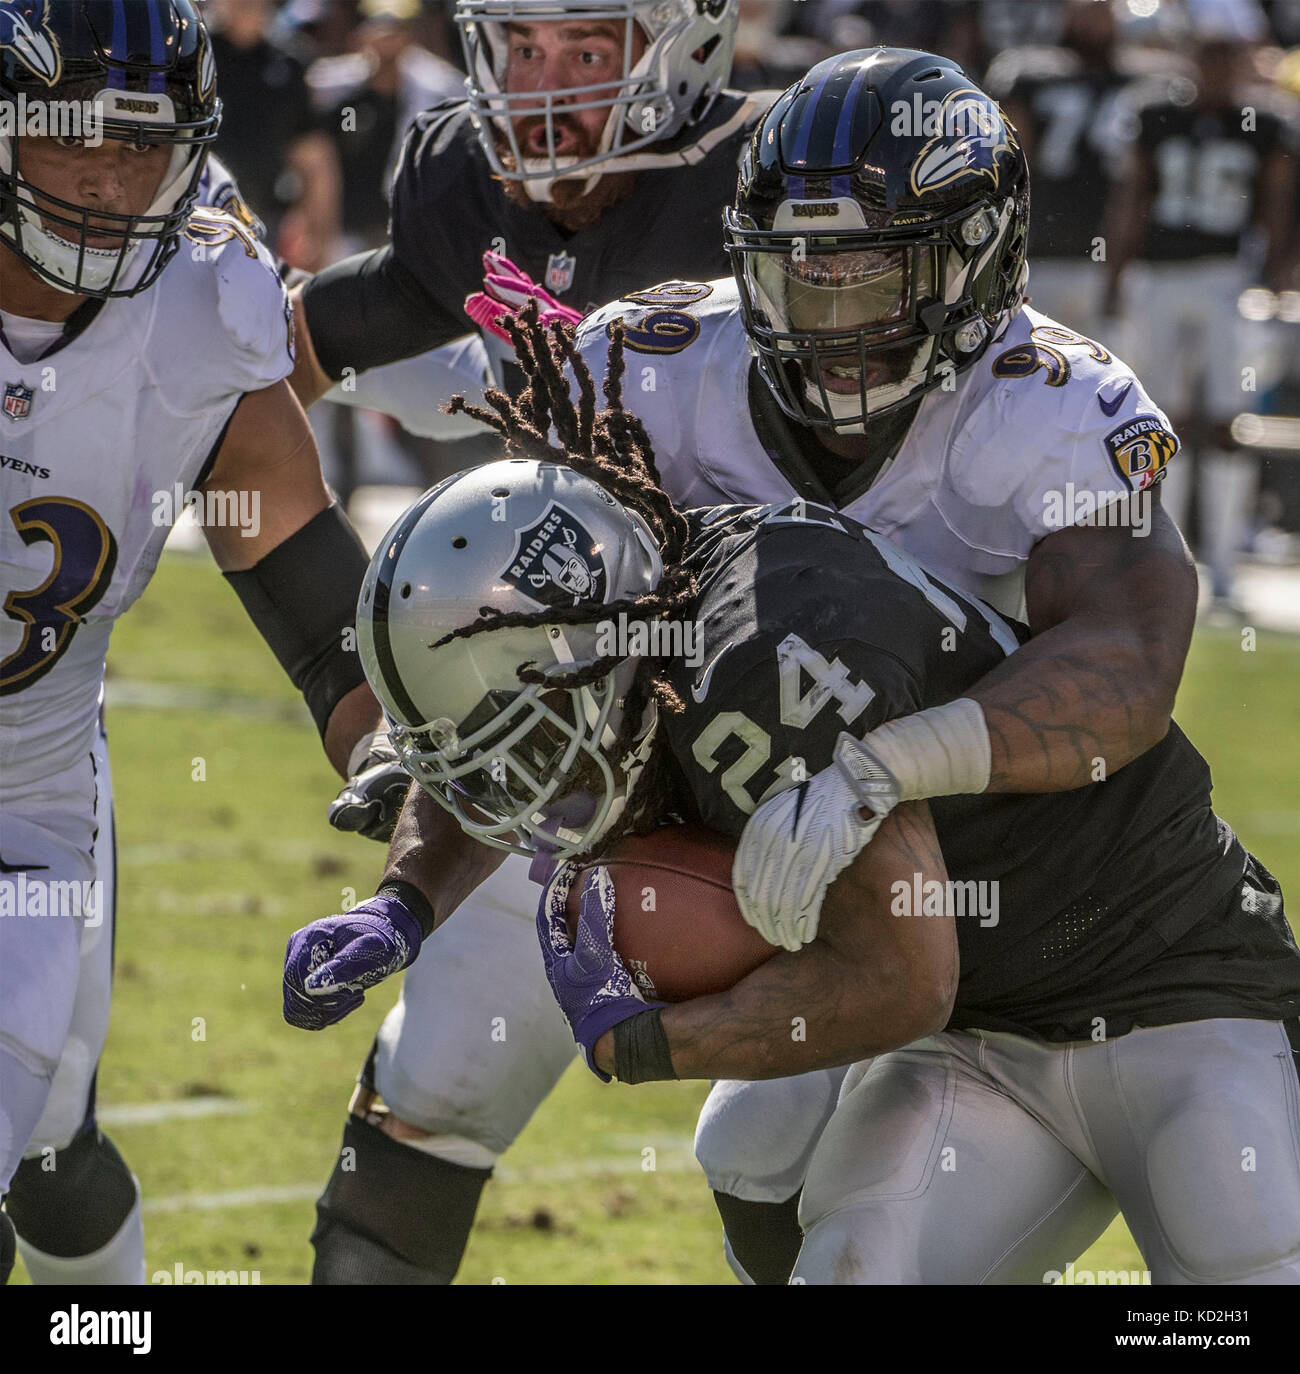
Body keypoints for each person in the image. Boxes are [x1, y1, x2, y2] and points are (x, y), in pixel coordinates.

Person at [287, 46, 1199, 1286]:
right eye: (796, 274)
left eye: (872, 274)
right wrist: (407, 891)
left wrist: (886, 767)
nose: (831, 321)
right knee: (749, 1156)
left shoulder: (1046, 407)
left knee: (809, 1167)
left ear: (974, 259)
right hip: (754, 821)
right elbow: (549, 670)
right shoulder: (649, 371)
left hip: (1009, 879)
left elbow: (1132, 669)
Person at [288, 0, 787, 1287]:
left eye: (586, 49)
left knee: (797, 1167)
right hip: (564, 720)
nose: (543, 83)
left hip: (785, 731)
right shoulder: (462, 176)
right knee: (428, 1092)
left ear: (676, 51)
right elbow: (365, 326)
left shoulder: (778, 175)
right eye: (521, 46)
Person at [0, 0, 381, 1286]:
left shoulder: (201, 311)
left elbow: (308, 591)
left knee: (56, 1166)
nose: (112, 182)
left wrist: (399, 748)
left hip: (23, 811)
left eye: (142, 144)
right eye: (74, 141)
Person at [1102, 0, 1297, 610]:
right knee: (1161, 420)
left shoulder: (1264, 124)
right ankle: (1167, 558)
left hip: (1223, 277)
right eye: (1207, 56)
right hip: (1161, 277)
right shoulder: (1157, 114)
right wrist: (1117, 269)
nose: (1215, 69)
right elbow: (1134, 196)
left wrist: (1276, 272)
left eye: (1225, 56)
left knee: (1226, 421)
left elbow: (1278, 203)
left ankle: (1221, 567)